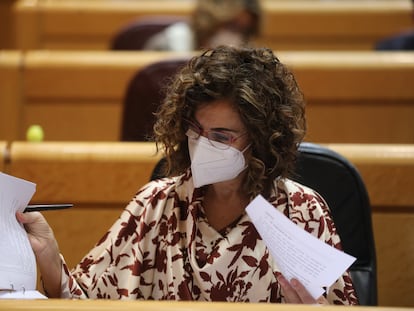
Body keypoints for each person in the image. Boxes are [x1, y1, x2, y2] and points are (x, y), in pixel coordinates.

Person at [17, 45, 358, 304]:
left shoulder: (302, 211)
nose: (203, 144)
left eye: (222, 136)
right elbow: (87, 304)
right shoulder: (155, 204)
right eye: (196, 129)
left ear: (263, 139)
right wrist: (48, 256)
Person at [143, 0, 262, 51]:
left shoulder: (248, 61)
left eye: (245, 31)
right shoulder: (165, 46)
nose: (236, 40)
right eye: (231, 26)